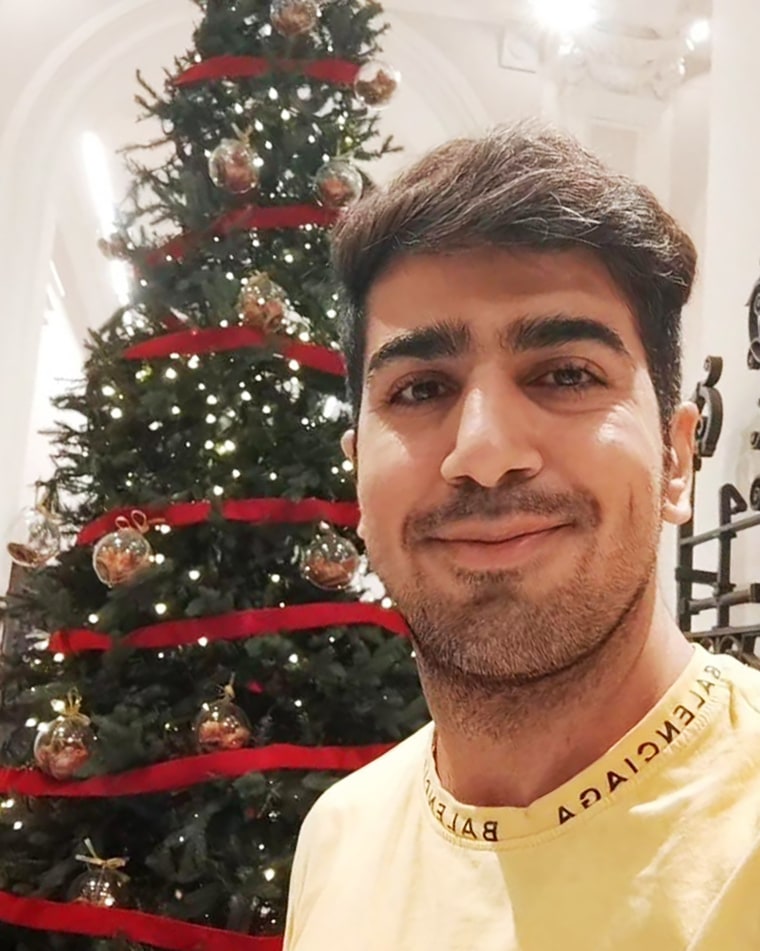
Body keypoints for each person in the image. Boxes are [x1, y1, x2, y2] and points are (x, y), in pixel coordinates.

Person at [283, 121, 760, 950]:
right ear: (357, 475)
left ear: (677, 457)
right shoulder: (338, 836)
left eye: (567, 374)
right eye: (420, 388)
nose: (484, 451)